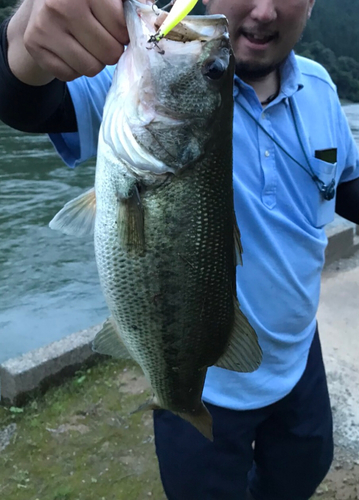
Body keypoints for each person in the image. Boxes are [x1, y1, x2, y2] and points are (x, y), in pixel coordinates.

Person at [1, 0, 358, 498]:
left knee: (300, 476)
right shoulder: (133, 73)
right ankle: (176, 401)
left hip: (300, 363)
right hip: (200, 377)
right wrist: (25, 38)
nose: (264, 11)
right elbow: (25, 97)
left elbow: (347, 186)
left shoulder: (320, 88)